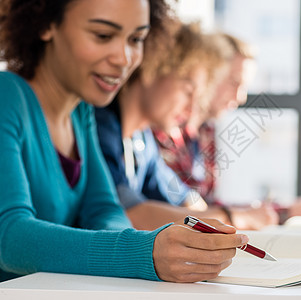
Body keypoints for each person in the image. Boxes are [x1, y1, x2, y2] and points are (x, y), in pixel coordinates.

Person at [0, 0, 247, 283]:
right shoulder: (6, 97)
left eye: (136, 39)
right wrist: (144, 251)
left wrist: (150, 246)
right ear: (46, 24)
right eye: (103, 36)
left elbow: (104, 210)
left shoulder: (81, 114)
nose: (124, 58)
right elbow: (9, 237)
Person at [95, 22, 279, 231]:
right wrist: (232, 217)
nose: (192, 110)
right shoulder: (101, 127)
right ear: (155, 68)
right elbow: (131, 214)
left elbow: (182, 198)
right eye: (188, 91)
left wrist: (216, 216)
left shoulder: (141, 141)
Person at [154, 33, 301, 225]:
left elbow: (206, 206)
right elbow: (185, 212)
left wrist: (284, 211)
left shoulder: (206, 131)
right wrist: (282, 213)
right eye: (234, 82)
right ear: (208, 75)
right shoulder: (164, 127)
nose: (240, 97)